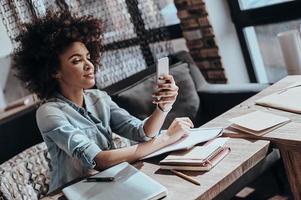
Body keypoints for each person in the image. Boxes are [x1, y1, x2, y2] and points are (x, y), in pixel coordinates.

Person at [13, 11, 194, 193]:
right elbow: (100, 161)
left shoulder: (99, 98)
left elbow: (141, 132)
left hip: (109, 183)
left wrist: (163, 107)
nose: (89, 65)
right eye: (76, 60)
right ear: (54, 71)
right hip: (71, 193)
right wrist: (167, 138)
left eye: (88, 57)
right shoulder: (49, 112)